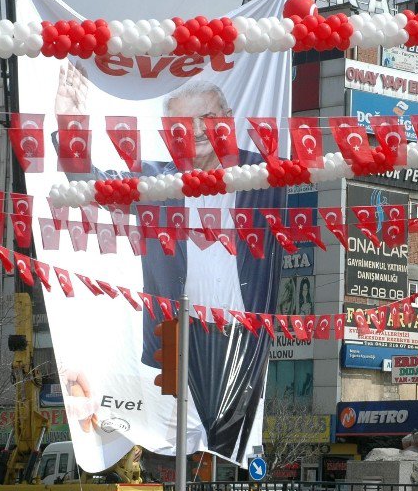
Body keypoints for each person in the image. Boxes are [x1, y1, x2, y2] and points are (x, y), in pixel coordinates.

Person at [54, 62, 284, 464]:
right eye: (181, 124)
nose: (195, 131)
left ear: (228, 120)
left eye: (206, 118)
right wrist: (71, 123)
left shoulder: (265, 175)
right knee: (176, 453)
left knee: (234, 452)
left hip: (243, 335)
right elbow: (87, 185)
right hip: (176, 339)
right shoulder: (156, 181)